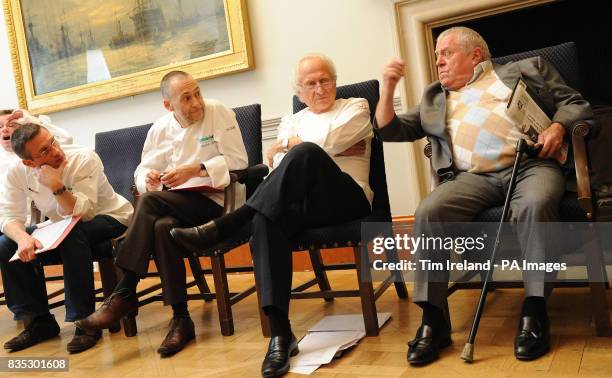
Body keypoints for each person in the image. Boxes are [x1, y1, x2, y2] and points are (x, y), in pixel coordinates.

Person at [374, 27, 593, 364]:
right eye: (436, 56)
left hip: (530, 166)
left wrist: (557, 127)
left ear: (475, 54)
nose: (438, 62)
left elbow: (575, 104)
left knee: (535, 204)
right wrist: (388, 87)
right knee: (428, 212)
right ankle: (434, 320)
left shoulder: (527, 68)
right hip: (472, 178)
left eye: (445, 53)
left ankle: (535, 310)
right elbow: (390, 130)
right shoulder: (436, 96)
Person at [170, 54, 374, 377]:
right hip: (302, 207)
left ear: (335, 82)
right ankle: (280, 333)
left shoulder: (356, 107)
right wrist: (306, 149)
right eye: (311, 84)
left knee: (306, 153)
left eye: (325, 80)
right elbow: (279, 166)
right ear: (300, 91)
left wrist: (296, 147)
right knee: (266, 217)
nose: (320, 88)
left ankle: (229, 224)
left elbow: (324, 143)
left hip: (346, 198)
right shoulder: (292, 120)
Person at [75, 71, 249, 357]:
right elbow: (142, 170)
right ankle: (181, 318)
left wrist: (197, 169)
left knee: (152, 204)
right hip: (177, 204)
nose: (197, 103)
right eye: (186, 98)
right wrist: (150, 180)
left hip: (217, 202)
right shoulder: (159, 129)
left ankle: (124, 290)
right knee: (161, 227)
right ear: (169, 106)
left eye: (197, 93)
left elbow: (239, 162)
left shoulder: (218, 112)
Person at [0, 123, 133, 353]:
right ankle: (39, 321)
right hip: (61, 225)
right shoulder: (16, 172)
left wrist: (56, 186)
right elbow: (9, 215)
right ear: (29, 163)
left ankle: (85, 321)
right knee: (5, 243)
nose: (55, 151)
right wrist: (22, 238)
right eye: (44, 151)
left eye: (52, 141)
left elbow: (84, 212)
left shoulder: (83, 158)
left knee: (72, 233)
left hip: (109, 217)